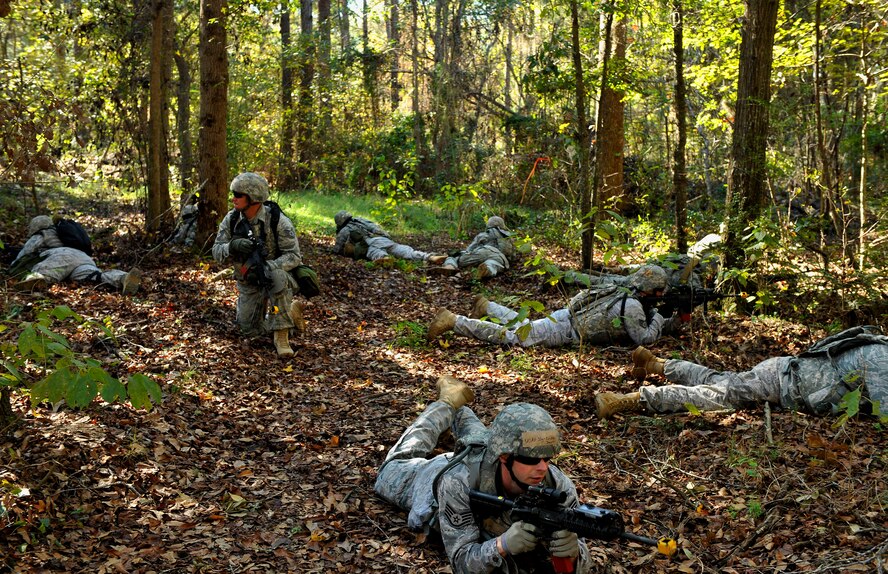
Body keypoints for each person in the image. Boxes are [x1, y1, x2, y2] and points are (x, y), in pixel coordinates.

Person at [375, 375, 595, 573]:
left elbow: (583, 559)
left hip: (486, 452)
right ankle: (448, 402)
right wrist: (502, 545)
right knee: (393, 466)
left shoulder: (558, 486)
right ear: (504, 457)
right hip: (437, 475)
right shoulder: (458, 481)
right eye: (530, 459)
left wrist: (575, 554)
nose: (542, 468)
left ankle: (460, 410)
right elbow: (461, 561)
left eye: (547, 458)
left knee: (480, 439)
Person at [595, 326, 888, 419]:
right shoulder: (881, 356)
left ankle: (657, 365)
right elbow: (884, 412)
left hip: (784, 375)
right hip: (782, 382)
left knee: (718, 381)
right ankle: (631, 400)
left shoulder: (880, 351)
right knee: (717, 396)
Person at [427, 265, 683, 348]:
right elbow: (644, 338)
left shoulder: (626, 291)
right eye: (659, 291)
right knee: (517, 337)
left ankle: (488, 306)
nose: (661, 295)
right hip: (566, 329)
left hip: (566, 319)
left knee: (525, 326)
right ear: (650, 289)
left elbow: (648, 325)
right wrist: (661, 316)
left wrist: (676, 320)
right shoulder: (634, 306)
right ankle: (454, 321)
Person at [212, 172, 305, 358]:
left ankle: (282, 339)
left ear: (253, 197)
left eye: (239, 195)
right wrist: (231, 246)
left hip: (278, 278)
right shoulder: (231, 220)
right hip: (248, 282)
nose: (234, 199)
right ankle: (290, 313)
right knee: (248, 331)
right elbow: (216, 251)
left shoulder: (278, 221)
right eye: (234, 194)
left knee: (277, 278)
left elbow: (294, 256)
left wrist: (269, 266)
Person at [10, 215, 142, 294]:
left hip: (61, 257)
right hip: (83, 258)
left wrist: (12, 266)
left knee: (44, 272)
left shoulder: (41, 234)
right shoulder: (62, 232)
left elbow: (23, 255)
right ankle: (122, 278)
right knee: (95, 276)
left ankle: (34, 283)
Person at [332, 210, 447, 265]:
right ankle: (429, 257)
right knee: (404, 250)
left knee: (373, 252)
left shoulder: (344, 230)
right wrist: (387, 236)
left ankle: (384, 258)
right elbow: (376, 228)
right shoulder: (360, 220)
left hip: (368, 244)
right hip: (382, 239)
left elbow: (337, 249)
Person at [428, 216, 516, 280]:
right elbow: (513, 256)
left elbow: (469, 250)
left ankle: (450, 266)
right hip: (500, 258)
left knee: (455, 256)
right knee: (492, 264)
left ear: (488, 225)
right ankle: (487, 269)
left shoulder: (484, 234)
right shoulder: (509, 237)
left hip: (484, 251)